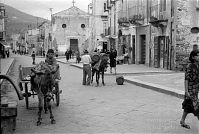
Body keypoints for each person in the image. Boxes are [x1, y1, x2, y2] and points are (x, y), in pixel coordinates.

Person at [180, 50, 199, 129]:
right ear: (193, 57)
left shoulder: (198, 65)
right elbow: (186, 79)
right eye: (197, 55)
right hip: (190, 90)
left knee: (188, 106)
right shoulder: (189, 66)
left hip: (195, 90)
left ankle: (182, 121)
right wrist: (186, 91)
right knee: (197, 108)